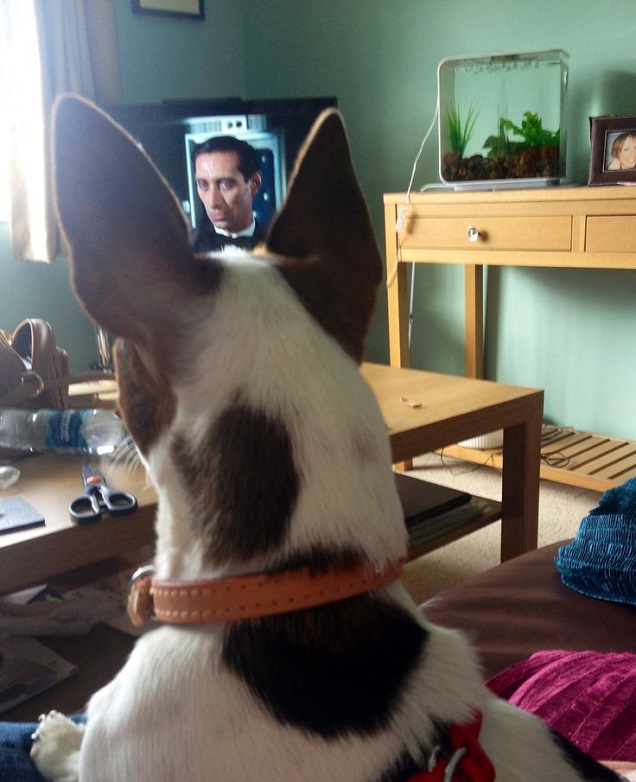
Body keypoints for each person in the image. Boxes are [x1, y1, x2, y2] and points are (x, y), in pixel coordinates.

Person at [189, 135, 267, 253]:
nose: (213, 202)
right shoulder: (184, 249)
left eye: (226, 184)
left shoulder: (280, 249)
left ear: (254, 184)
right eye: (203, 185)